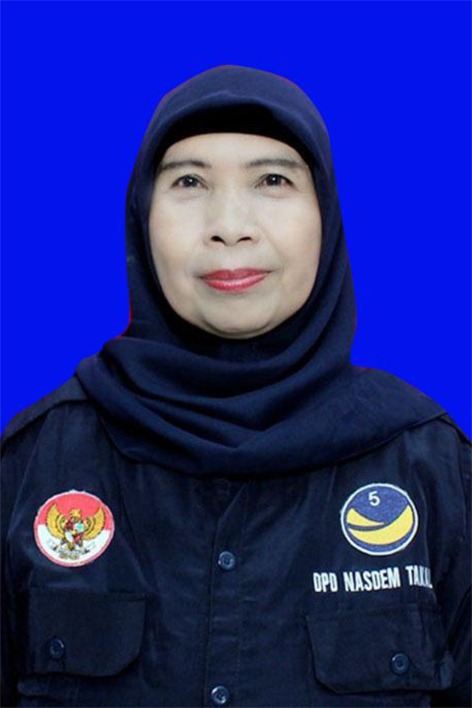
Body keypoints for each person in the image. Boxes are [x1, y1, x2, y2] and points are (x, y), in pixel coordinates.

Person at [1, 65, 470, 708]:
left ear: (326, 215)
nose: (229, 225)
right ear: (142, 216)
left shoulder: (431, 467)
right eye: (189, 182)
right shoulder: (37, 463)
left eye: (273, 180)